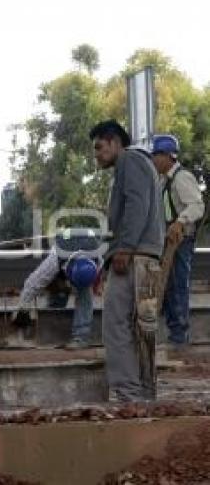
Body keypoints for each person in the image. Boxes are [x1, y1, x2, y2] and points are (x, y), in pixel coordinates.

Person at [90, 120, 164, 402]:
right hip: (146, 257)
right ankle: (143, 394)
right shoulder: (142, 163)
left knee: (116, 325)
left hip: (133, 256)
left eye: (99, 147)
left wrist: (124, 247)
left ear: (114, 142)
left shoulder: (129, 160)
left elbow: (136, 204)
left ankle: (128, 393)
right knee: (142, 329)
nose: (96, 155)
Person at [150, 134, 205, 348]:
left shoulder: (182, 177)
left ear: (167, 156)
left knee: (178, 285)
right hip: (169, 240)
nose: (153, 160)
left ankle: (180, 337)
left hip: (181, 240)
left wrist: (180, 222)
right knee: (169, 285)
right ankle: (175, 334)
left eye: (156, 155)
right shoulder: (164, 180)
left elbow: (197, 206)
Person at [11, 229, 102, 349]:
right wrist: (22, 307)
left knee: (85, 295)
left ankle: (81, 338)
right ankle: (50, 332)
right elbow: (31, 283)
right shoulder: (55, 260)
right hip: (62, 266)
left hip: (82, 266)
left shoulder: (98, 259)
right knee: (59, 291)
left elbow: (94, 286)